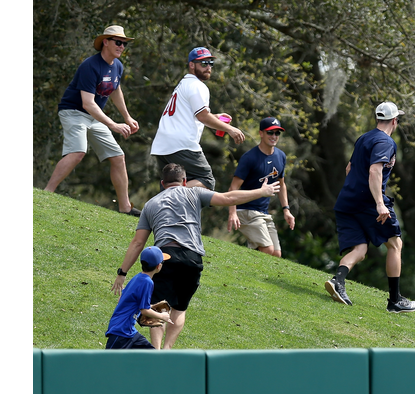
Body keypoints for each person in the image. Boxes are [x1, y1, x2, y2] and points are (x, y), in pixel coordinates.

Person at [112, 163, 280, 349]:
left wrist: (122, 272)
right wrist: (262, 191)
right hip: (192, 259)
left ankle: (157, 351)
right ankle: (168, 349)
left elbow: (138, 243)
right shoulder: (194, 192)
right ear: (184, 181)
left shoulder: (151, 204)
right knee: (180, 307)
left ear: (162, 183)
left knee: (159, 305)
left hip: (165, 257)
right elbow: (228, 197)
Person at [324, 102, 415, 313]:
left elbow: (350, 168)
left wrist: (354, 191)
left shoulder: (364, 138)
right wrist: (379, 203)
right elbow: (375, 172)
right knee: (395, 245)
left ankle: (337, 281)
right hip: (368, 203)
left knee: (360, 249)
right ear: (394, 121)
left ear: (378, 118)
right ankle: (395, 300)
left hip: (346, 200)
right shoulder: (385, 142)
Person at [44, 25, 141, 216]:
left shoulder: (117, 66)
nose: (122, 46)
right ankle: (47, 193)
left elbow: (115, 89)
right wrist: (113, 124)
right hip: (73, 111)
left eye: (124, 44)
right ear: (105, 42)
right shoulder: (90, 65)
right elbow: (88, 103)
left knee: (118, 157)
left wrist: (127, 117)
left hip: (93, 116)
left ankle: (125, 208)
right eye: (118, 42)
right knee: (78, 152)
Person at [150, 47, 246, 191]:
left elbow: (195, 115)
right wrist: (230, 129)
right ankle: (165, 197)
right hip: (181, 144)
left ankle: (162, 205)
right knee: (206, 181)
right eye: (203, 63)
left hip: (162, 145)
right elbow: (202, 116)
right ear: (192, 65)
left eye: (210, 63)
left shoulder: (184, 84)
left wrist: (215, 118)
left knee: (172, 183)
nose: (208, 67)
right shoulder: (197, 86)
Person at [227, 117, 295, 257]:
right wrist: (232, 213)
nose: (274, 136)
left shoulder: (281, 156)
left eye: (277, 133)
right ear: (261, 133)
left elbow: (281, 185)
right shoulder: (249, 158)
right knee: (267, 249)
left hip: (263, 212)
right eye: (270, 132)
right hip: (245, 210)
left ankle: (250, 270)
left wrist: (286, 210)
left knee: (276, 254)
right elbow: (233, 188)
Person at [105, 246, 174, 349]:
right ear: (159, 266)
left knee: (152, 356)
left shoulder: (138, 277)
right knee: (107, 363)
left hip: (130, 332)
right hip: (120, 331)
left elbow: (123, 299)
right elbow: (144, 310)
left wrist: (149, 307)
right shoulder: (147, 282)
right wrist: (162, 316)